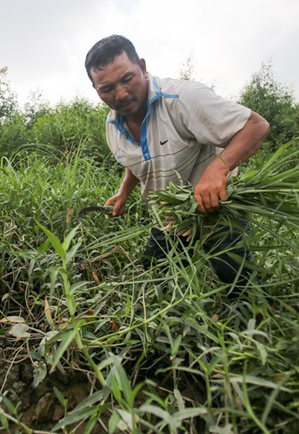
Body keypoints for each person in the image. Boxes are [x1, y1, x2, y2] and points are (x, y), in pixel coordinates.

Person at [85, 35, 270, 286]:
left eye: (127, 79)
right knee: (159, 275)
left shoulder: (183, 98)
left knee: (238, 282)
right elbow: (137, 159)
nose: (121, 94)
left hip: (216, 207)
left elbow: (255, 126)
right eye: (107, 88)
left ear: (142, 66)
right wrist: (123, 193)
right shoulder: (112, 126)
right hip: (169, 216)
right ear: (96, 90)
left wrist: (218, 170)